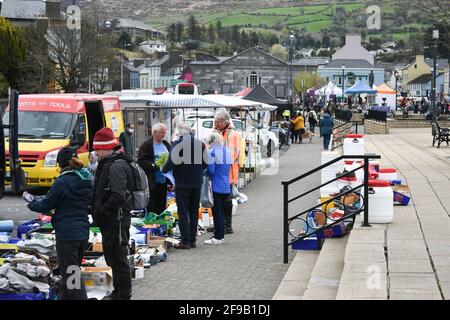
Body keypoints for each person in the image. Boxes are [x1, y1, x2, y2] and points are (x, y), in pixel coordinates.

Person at [26, 146, 92, 300]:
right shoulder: (86, 178)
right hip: (82, 232)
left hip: (67, 234)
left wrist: (29, 201)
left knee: (71, 274)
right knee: (72, 271)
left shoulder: (62, 181)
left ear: (60, 164)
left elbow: (46, 205)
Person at [92, 127, 135, 300]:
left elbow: (118, 195)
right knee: (113, 257)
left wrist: (102, 210)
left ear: (107, 147)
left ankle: (124, 294)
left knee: (118, 257)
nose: (95, 152)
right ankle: (118, 291)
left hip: (115, 219)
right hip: (111, 219)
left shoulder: (117, 165)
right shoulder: (109, 162)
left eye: (98, 149)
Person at [162, 123, 207, 249]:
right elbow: (205, 164)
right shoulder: (200, 144)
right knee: (193, 212)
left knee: (183, 213)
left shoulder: (177, 144)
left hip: (182, 183)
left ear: (180, 133)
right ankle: (192, 239)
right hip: (197, 182)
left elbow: (171, 162)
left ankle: (185, 241)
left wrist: (163, 169)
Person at [213, 109, 243, 234]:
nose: (215, 124)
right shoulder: (216, 132)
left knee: (226, 200)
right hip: (218, 173)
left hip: (228, 173)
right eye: (215, 122)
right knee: (217, 200)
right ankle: (218, 224)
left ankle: (227, 225)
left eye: (218, 122)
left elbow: (232, 155)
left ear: (225, 122)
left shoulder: (233, 135)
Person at [204, 131, 231, 245]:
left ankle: (218, 237)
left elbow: (211, 170)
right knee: (221, 212)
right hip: (226, 184)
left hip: (216, 185)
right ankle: (221, 236)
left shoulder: (211, 153)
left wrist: (205, 172)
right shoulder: (227, 151)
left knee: (217, 212)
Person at [137, 123, 171, 215]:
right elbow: (141, 161)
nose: (164, 135)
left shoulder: (166, 144)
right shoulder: (146, 145)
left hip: (163, 181)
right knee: (151, 207)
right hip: (151, 183)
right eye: (162, 133)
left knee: (161, 207)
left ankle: (160, 226)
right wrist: (154, 166)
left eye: (165, 133)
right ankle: (151, 227)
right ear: (154, 132)